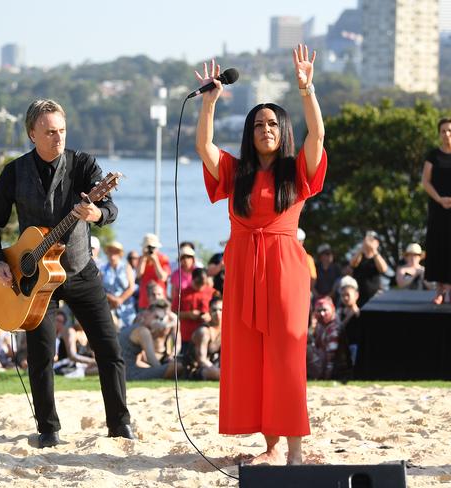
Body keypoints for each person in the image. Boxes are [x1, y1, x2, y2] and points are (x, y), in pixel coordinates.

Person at [194, 46, 327, 465]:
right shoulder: (236, 171)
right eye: (257, 125)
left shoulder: (296, 170)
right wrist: (209, 104)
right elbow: (203, 146)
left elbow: (318, 136)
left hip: (286, 268)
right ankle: (269, 447)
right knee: (251, 355)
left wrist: (306, 89)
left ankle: (294, 448)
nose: (265, 129)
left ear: (282, 129)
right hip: (244, 268)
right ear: (250, 133)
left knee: (286, 351)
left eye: (272, 123)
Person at [0, 98, 133, 448]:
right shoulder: (13, 173)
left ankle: (120, 425)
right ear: (32, 133)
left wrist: (97, 214)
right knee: (40, 354)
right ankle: (48, 429)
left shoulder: (83, 165)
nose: (58, 138)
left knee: (109, 348)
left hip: (79, 269)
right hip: (34, 278)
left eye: (62, 131)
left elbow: (109, 206)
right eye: (49, 132)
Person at [422, 117, 451, 304]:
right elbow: (425, 181)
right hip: (438, 209)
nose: (447, 134)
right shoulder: (432, 155)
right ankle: (440, 290)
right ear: (439, 134)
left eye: (450, 130)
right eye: (444, 131)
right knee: (439, 246)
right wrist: (440, 199)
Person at [118, 300, 182, 381]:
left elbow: (136, 361)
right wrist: (160, 370)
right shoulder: (143, 331)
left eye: (160, 318)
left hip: (121, 372)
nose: (158, 321)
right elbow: (153, 361)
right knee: (177, 366)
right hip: (130, 374)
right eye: (156, 317)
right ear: (147, 314)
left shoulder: (136, 327)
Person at [178, 267, 215, 354]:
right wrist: (188, 314)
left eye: (203, 284)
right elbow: (174, 313)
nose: (200, 286)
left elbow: (221, 312)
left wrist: (210, 316)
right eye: (198, 283)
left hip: (207, 335)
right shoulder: (183, 293)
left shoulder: (213, 293)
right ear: (193, 279)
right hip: (186, 336)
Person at [101, 241, 136, 328]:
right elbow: (99, 288)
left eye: (115, 251)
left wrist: (120, 299)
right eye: (110, 250)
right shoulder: (102, 269)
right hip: (109, 307)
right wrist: (110, 298)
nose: (112, 253)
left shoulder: (126, 267)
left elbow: (131, 287)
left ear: (120, 253)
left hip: (126, 308)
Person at [184, 296, 222, 381]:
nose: (217, 313)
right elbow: (201, 360)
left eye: (221, 310)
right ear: (209, 311)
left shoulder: (226, 330)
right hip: (196, 369)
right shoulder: (204, 331)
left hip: (214, 366)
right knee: (222, 374)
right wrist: (217, 371)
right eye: (214, 310)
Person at [306, 297, 341, 380]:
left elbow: (332, 358)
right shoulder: (321, 325)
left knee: (306, 348)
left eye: (325, 310)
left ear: (332, 309)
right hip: (322, 364)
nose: (322, 313)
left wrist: (326, 377)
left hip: (329, 368)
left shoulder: (333, 329)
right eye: (319, 311)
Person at [350, 231, 388, 307]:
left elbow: (383, 269)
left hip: (375, 297)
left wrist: (374, 250)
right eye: (368, 240)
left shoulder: (378, 257)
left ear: (377, 243)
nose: (369, 242)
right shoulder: (359, 256)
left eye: (372, 240)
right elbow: (353, 264)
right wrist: (362, 249)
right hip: (359, 297)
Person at [136, 233, 171, 311]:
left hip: (160, 300)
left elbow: (162, 277)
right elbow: (138, 275)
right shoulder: (141, 259)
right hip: (145, 301)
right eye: (148, 247)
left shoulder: (163, 259)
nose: (150, 250)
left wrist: (155, 261)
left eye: (153, 247)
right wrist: (144, 260)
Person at [170, 244, 197, 312]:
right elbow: (173, 294)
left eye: (188, 257)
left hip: (197, 305)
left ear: (193, 259)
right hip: (182, 307)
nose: (185, 260)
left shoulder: (198, 272)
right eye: (183, 257)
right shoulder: (176, 274)